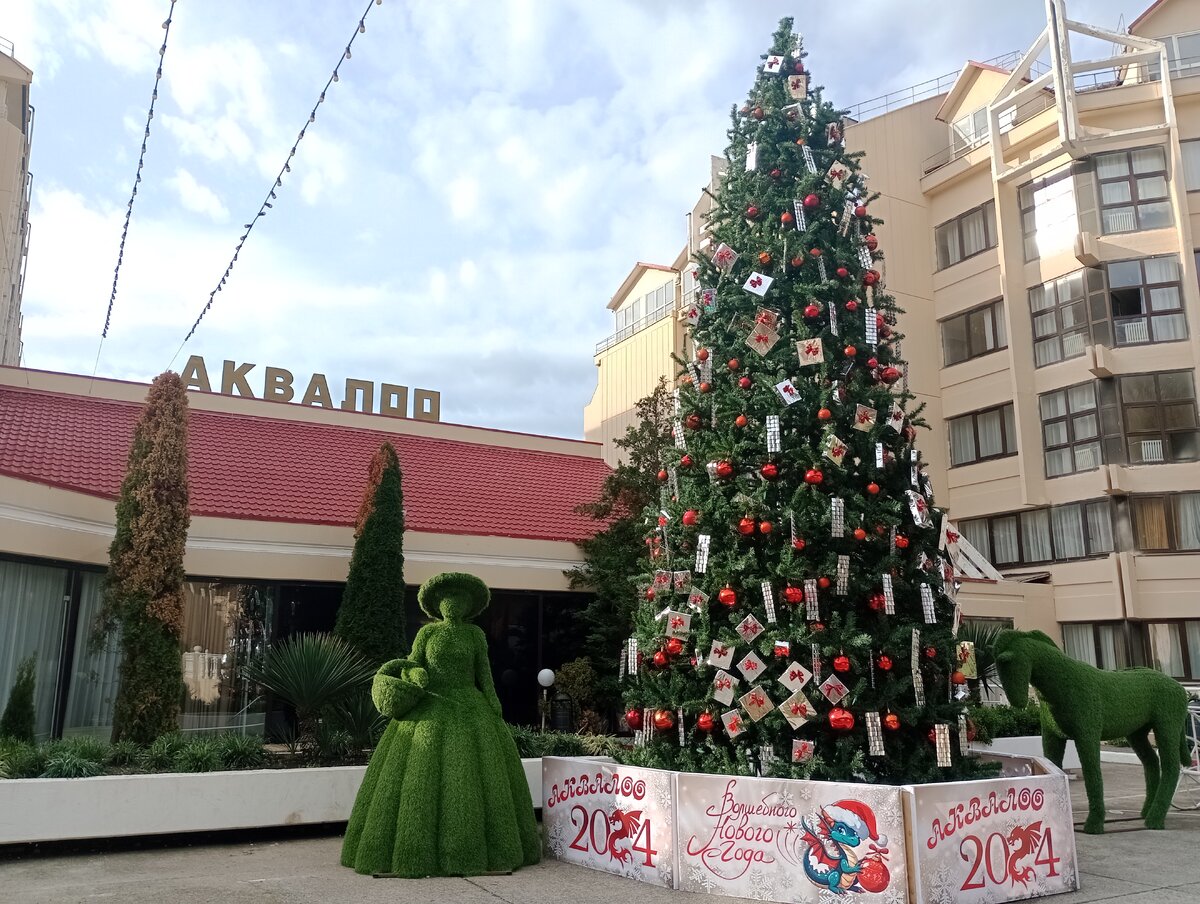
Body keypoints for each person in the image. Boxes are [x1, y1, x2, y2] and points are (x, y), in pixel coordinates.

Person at [341, 572, 541, 876]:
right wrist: (409, 677)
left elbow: (483, 671)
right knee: (417, 772)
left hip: (470, 704)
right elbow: (413, 663)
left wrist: (493, 699)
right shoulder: (427, 634)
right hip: (430, 704)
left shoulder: (475, 635)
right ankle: (405, 850)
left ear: (466, 607)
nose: (453, 607)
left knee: (476, 770)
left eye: (459, 602)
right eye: (448, 602)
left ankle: (489, 847)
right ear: (439, 606)